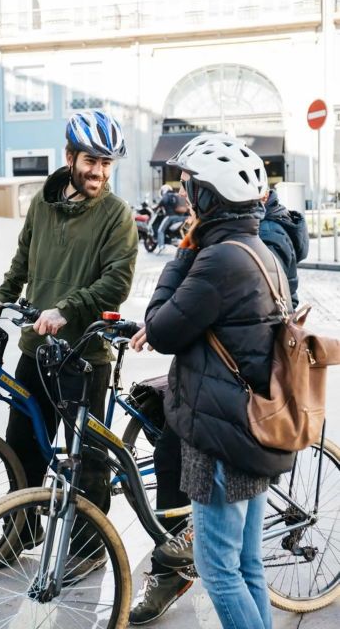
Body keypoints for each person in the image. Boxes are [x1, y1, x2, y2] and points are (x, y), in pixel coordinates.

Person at [130, 133, 296, 628]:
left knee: (217, 569)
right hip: (250, 429)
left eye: (188, 187)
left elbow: (161, 328)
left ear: (208, 196)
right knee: (246, 565)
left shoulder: (219, 259)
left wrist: (184, 248)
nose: (183, 195)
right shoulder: (256, 249)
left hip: (223, 437)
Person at [0, 109, 138, 581]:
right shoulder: (42, 203)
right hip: (36, 349)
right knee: (23, 448)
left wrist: (67, 308)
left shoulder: (116, 216)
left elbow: (116, 282)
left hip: (85, 356)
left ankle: (90, 544)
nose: (98, 172)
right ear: (70, 157)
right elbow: (22, 260)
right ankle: (22, 529)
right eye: (91, 160)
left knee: (88, 460)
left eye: (107, 163)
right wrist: (0, 299)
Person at [156, 183, 189, 252]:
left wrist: (157, 207)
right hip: (179, 217)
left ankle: (161, 246)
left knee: (160, 230)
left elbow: (161, 203)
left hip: (169, 217)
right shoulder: (176, 195)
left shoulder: (166, 196)